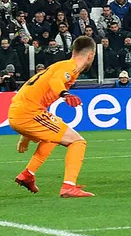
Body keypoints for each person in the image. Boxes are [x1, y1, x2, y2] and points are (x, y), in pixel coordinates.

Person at [9, 36, 97, 198]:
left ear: (73, 51)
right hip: (29, 113)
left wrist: (25, 136)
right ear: (91, 55)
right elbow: (56, 81)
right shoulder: (71, 67)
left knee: (55, 135)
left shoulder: (59, 65)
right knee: (77, 141)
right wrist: (65, 94)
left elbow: (33, 92)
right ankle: (69, 186)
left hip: (21, 111)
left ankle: (28, 174)